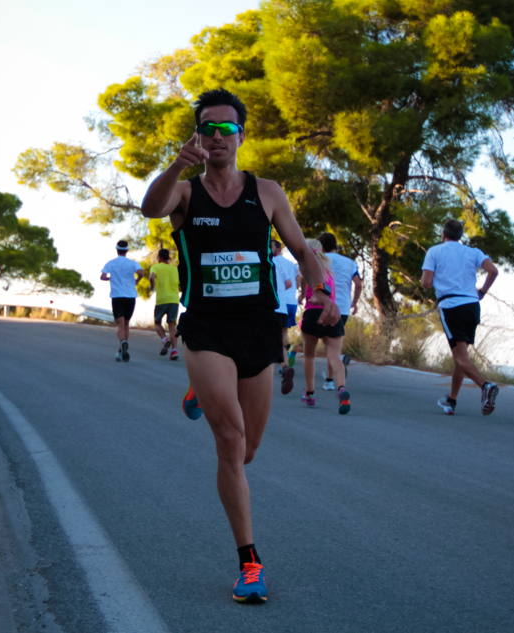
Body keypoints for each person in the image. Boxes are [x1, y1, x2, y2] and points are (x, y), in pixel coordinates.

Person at [140, 88, 339, 604]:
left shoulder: (267, 192)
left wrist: (321, 291)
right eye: (208, 128)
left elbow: (300, 248)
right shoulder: (184, 193)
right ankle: (250, 563)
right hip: (206, 329)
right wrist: (172, 167)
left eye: (228, 128)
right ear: (197, 136)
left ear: (242, 136)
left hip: (258, 330)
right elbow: (151, 208)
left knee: (248, 450)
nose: (218, 137)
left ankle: (200, 393)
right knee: (228, 441)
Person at [421, 219, 500, 416]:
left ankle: (486, 386)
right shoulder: (473, 252)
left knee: (460, 357)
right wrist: (482, 291)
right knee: (461, 357)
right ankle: (451, 400)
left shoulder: (435, 251)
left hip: (451, 306)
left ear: (443, 234)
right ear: (461, 235)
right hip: (472, 306)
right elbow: (493, 270)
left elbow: (426, 283)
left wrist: (435, 277)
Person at [298, 238, 350, 413]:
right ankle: (342, 389)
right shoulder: (330, 268)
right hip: (332, 311)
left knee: (309, 356)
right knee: (334, 356)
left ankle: (310, 394)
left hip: (312, 312)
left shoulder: (306, 267)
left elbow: (302, 286)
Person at [318, 232, 362, 388]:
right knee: (334, 343)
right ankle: (330, 380)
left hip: (326, 304)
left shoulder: (320, 259)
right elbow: (358, 284)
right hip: (343, 307)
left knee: (328, 345)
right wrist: (354, 302)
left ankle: (331, 379)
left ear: (321, 247)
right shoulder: (350, 263)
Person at [101, 240, 144, 362]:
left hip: (117, 296)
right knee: (126, 324)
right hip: (131, 296)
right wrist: (137, 280)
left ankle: (123, 342)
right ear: (127, 250)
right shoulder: (132, 263)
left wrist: (111, 278)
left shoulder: (111, 263)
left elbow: (103, 276)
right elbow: (141, 272)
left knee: (119, 324)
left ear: (117, 250)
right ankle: (121, 350)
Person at [270, 239, 297, 394]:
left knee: (269, 339)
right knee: (282, 337)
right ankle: (285, 368)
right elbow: (289, 283)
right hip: (283, 305)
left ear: (277, 249)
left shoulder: (271, 262)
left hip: (272, 306)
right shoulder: (285, 263)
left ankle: (267, 374)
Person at [149, 248, 181, 361]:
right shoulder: (175, 269)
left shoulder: (156, 267)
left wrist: (152, 287)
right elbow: (181, 286)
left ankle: (164, 339)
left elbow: (152, 277)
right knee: (172, 325)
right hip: (174, 300)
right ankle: (174, 350)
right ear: (168, 258)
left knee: (157, 323)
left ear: (159, 257)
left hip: (161, 300)